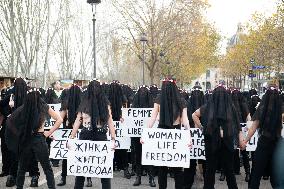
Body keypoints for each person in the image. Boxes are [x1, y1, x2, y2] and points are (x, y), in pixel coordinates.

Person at [5, 88, 63, 189]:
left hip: (26, 139)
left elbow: (10, 121)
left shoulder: (24, 108)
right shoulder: (44, 107)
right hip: (39, 138)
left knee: (22, 168)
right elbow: (59, 119)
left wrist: (19, 134)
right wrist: (48, 133)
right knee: (47, 168)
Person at [192, 85, 246, 189]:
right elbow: (237, 125)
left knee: (210, 170)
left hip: (211, 141)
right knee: (229, 170)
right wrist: (241, 140)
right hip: (227, 141)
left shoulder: (207, 106)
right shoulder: (231, 107)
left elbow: (194, 115)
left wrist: (202, 127)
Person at [68, 80, 116, 189]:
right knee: (81, 167)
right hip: (89, 135)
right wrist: (71, 136)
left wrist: (113, 139)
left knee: (103, 168)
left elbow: (110, 121)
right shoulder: (86, 102)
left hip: (96, 136)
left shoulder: (103, 103)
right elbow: (78, 120)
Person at [145, 78, 190, 189]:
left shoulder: (159, 100)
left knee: (162, 168)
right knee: (178, 168)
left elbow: (152, 118)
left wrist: (145, 134)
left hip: (162, 135)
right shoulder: (181, 100)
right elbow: (185, 121)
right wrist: (189, 136)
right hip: (177, 135)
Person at [242, 86, 284, 189]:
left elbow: (253, 128)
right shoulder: (281, 110)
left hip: (263, 144)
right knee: (276, 176)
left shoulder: (262, 110)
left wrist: (245, 141)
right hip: (278, 144)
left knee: (256, 173)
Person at [131, 86, 156, 187]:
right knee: (138, 155)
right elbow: (130, 118)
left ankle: (151, 178)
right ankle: (138, 177)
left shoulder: (152, 106)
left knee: (149, 155)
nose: (142, 95)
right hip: (137, 135)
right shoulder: (134, 107)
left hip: (148, 134)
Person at [57, 85, 81, 186]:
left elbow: (59, 119)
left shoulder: (66, 103)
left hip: (69, 131)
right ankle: (87, 179)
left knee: (66, 156)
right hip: (79, 132)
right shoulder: (83, 103)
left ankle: (63, 177)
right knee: (82, 155)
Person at [108, 81, 131, 179]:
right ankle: (125, 169)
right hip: (120, 125)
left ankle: (111, 167)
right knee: (123, 148)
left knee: (111, 147)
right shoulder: (123, 99)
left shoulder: (107, 99)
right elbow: (126, 110)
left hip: (111, 124)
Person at [183, 85, 205, 189]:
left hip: (201, 135)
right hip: (191, 134)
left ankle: (201, 172)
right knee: (191, 157)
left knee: (202, 157)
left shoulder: (205, 105)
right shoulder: (189, 104)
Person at [231, 89, 251, 182]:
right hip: (241, 130)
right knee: (243, 151)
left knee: (231, 150)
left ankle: (229, 171)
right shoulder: (243, 104)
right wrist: (247, 126)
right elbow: (248, 116)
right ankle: (247, 173)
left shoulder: (230, 104)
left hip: (234, 129)